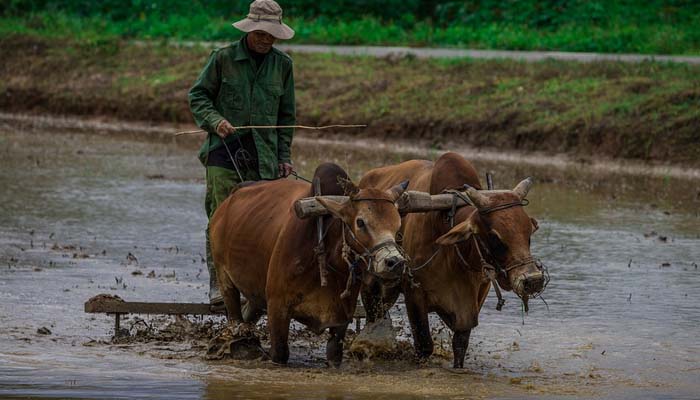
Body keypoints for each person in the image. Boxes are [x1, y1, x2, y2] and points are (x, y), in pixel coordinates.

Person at [188, 0, 296, 306]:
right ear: (250, 30)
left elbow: (286, 117)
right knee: (220, 217)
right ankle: (218, 285)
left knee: (259, 223)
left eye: (271, 35)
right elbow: (198, 96)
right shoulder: (223, 58)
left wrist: (284, 156)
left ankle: (255, 287)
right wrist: (215, 121)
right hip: (223, 151)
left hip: (264, 156)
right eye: (261, 34)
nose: (266, 40)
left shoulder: (283, 66)